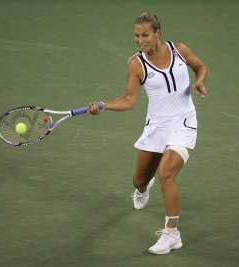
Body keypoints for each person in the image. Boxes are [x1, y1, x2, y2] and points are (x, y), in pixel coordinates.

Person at [88, 12, 207, 255]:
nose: (139, 40)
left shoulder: (179, 50)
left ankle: (172, 234)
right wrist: (104, 105)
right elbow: (129, 100)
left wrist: (199, 81)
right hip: (156, 128)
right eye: (136, 35)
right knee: (139, 180)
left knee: (166, 174)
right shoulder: (136, 64)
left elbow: (200, 67)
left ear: (157, 34)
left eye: (144, 35)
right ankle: (143, 188)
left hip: (184, 123)